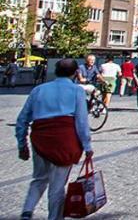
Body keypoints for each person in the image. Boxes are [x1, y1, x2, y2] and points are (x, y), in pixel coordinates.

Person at [15, 58, 93, 220]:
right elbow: (81, 121)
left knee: (39, 178)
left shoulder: (39, 90)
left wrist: (22, 143)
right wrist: (87, 145)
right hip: (64, 141)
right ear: (75, 73)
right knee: (57, 188)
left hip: (40, 138)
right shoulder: (77, 91)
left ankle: (27, 210)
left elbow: (22, 119)